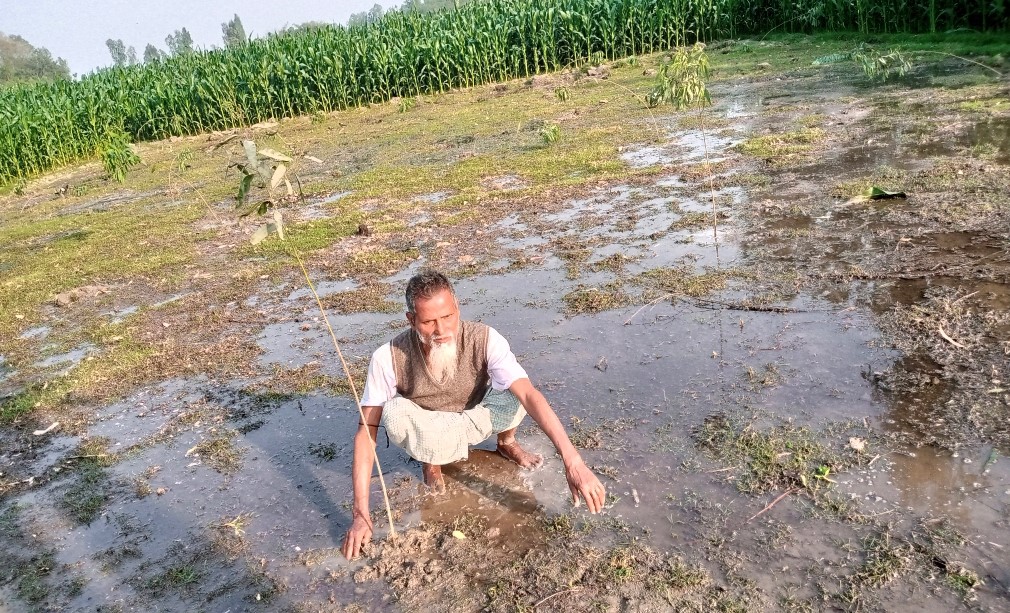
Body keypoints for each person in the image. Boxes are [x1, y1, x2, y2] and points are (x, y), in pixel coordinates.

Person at [341, 270, 606, 559]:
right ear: (411, 320)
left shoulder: (486, 338)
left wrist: (574, 462)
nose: (441, 330)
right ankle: (432, 461)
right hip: (432, 425)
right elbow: (366, 435)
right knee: (393, 413)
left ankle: (506, 443)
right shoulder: (387, 356)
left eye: (448, 317)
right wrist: (360, 514)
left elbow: (531, 396)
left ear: (458, 310)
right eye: (429, 321)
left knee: (517, 390)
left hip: (477, 414)